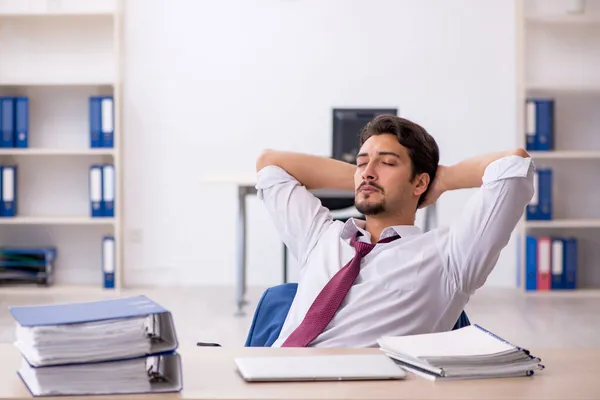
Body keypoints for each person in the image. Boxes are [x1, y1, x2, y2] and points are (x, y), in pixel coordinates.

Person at [255, 115, 534, 348]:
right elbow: (270, 164)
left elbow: (513, 166)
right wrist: (365, 178)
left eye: (388, 163)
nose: (368, 172)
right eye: (362, 162)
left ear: (420, 182)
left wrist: (443, 179)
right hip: (274, 376)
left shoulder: (450, 256)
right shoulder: (320, 237)